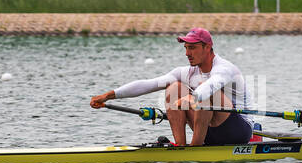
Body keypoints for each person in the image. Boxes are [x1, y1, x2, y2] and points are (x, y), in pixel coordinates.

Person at [89, 28, 253, 147]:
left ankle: (195, 148)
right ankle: (180, 146)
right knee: (174, 87)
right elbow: (149, 84)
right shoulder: (186, 72)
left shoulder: (224, 68)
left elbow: (211, 85)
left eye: (192, 48)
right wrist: (108, 95)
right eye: (186, 48)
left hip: (238, 130)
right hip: (209, 130)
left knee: (205, 91)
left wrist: (193, 97)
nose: (187, 54)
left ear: (207, 47)